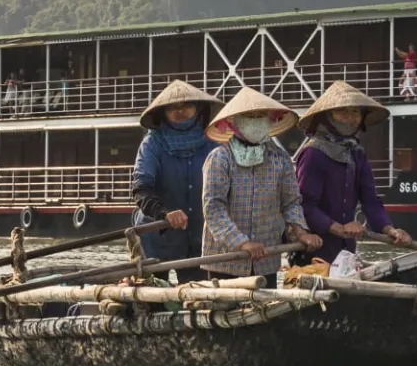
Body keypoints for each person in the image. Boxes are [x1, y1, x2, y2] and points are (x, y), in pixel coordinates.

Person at [201, 87, 321, 277]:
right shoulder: (220, 158)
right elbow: (214, 209)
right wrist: (242, 242)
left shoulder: (280, 159)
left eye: (261, 116)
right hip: (225, 263)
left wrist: (301, 232)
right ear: (235, 121)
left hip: (267, 261)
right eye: (249, 116)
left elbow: (291, 203)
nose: (256, 121)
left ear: (270, 119)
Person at [294, 81, 412, 271]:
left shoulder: (356, 152)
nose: (350, 118)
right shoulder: (313, 153)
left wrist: (390, 230)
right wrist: (337, 227)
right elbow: (305, 205)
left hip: (346, 251)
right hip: (315, 250)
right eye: (342, 112)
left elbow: (370, 200)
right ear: (328, 117)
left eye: (355, 112)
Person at [130, 80, 221, 280]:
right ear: (163, 113)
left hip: (199, 237)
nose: (180, 111)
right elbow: (141, 187)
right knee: (151, 296)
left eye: (187, 106)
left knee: (196, 296)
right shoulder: (152, 143)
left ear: (199, 110)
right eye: (173, 108)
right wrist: (164, 213)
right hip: (155, 235)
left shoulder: (213, 143)